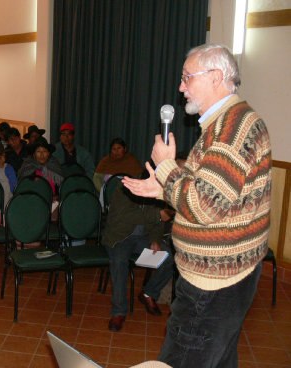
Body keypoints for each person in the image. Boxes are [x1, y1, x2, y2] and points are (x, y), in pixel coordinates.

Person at [122, 44, 271, 368]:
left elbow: (204, 205)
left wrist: (165, 167)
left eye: (187, 77)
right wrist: (163, 189)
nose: (181, 87)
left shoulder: (232, 129)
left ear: (216, 77)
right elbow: (211, 189)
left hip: (214, 284)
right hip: (225, 276)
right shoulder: (224, 123)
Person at [103, 178, 174, 332]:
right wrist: (157, 215)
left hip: (142, 239)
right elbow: (125, 217)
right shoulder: (124, 189)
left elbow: (158, 223)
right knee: (119, 261)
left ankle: (148, 293)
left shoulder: (157, 194)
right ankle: (119, 311)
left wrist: (155, 240)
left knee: (169, 256)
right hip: (119, 237)